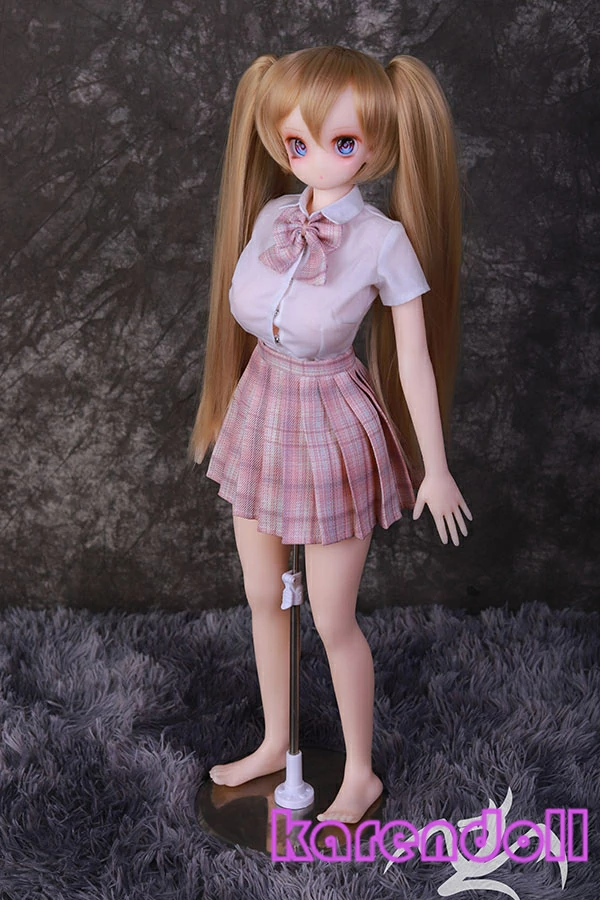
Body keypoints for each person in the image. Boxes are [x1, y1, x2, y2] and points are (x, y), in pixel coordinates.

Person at [189, 46, 472, 824]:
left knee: (331, 617)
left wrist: (436, 467)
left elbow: (413, 358)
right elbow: (248, 315)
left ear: (377, 143)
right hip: (263, 407)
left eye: (342, 142)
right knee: (262, 595)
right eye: (298, 142)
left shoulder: (382, 241)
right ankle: (275, 739)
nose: (316, 157)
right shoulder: (274, 217)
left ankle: (359, 774)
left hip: (330, 425)